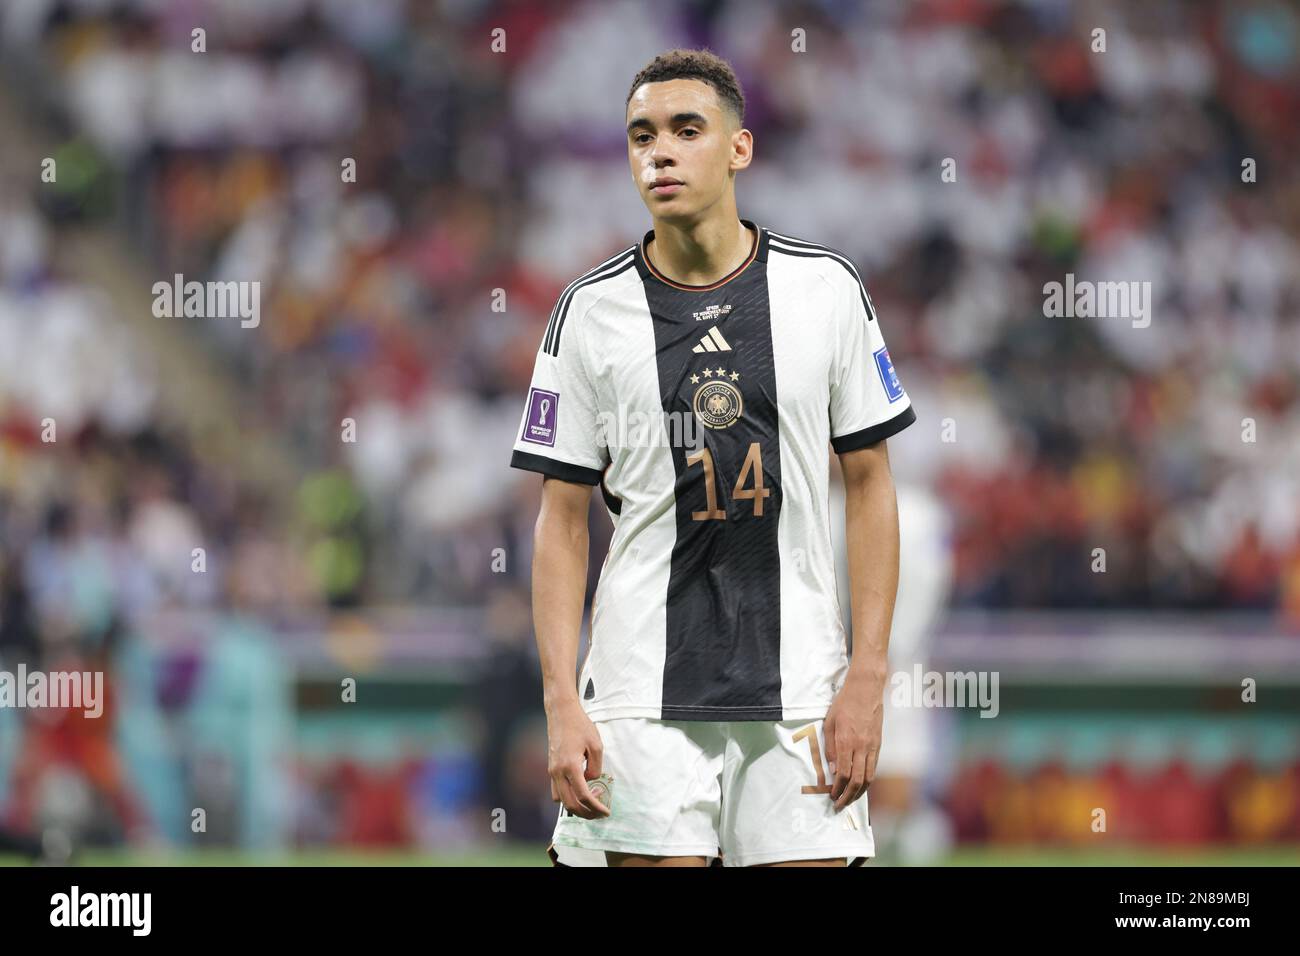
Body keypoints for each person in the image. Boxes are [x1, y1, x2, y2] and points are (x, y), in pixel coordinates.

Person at [510, 48, 916, 867]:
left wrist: (868, 678)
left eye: (685, 130)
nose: (658, 151)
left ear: (739, 148)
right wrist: (560, 698)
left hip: (802, 682)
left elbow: (870, 488)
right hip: (638, 685)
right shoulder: (588, 313)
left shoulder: (827, 290)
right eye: (641, 135)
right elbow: (561, 520)